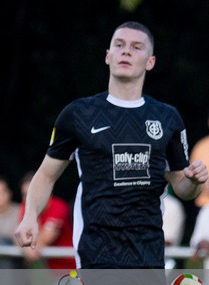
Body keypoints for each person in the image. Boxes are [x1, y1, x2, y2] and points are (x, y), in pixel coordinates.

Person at [15, 22, 207, 268]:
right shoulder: (79, 114)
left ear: (150, 62)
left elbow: (182, 188)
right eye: (119, 45)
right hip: (96, 253)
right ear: (108, 56)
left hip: (149, 255)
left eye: (136, 47)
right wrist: (30, 215)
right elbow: (45, 176)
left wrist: (192, 180)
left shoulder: (167, 117)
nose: (126, 51)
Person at [17, 170, 74, 270]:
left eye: (32, 194)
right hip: (48, 269)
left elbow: (45, 239)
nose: (29, 199)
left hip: (70, 266)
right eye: (25, 195)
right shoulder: (25, 206)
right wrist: (26, 246)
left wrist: (27, 246)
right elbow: (18, 236)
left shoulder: (59, 206)